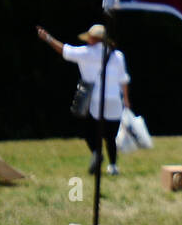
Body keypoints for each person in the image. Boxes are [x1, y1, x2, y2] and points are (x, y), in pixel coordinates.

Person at [37, 23, 131, 176]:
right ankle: (113, 167)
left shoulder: (87, 53)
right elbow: (124, 80)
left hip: (94, 100)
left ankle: (96, 153)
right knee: (111, 136)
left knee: (88, 131)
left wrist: (47, 38)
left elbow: (64, 50)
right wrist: (126, 100)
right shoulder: (118, 56)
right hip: (115, 100)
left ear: (93, 39)